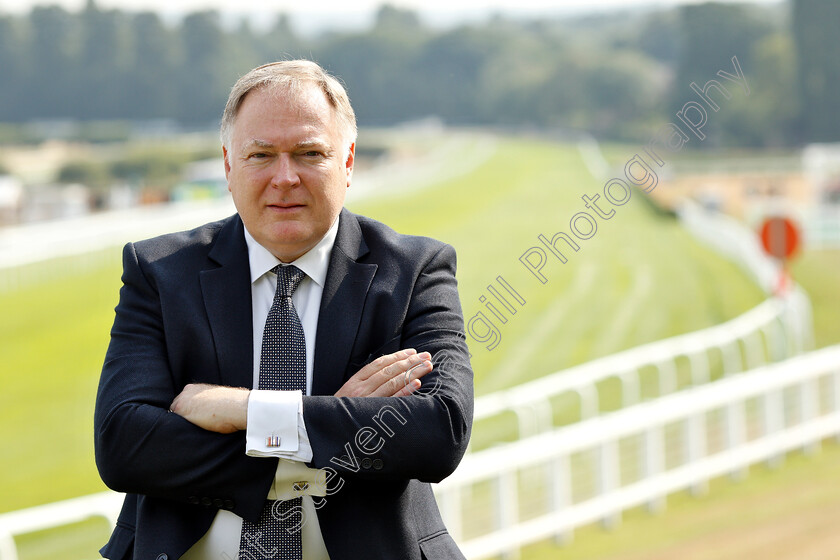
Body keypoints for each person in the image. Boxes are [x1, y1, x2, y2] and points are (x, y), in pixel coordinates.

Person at [94, 60, 473, 560]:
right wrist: (330, 426)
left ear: (349, 162)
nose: (285, 177)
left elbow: (438, 430)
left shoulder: (416, 270)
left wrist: (244, 410)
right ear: (229, 166)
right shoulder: (158, 272)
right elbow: (125, 445)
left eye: (309, 153)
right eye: (261, 155)